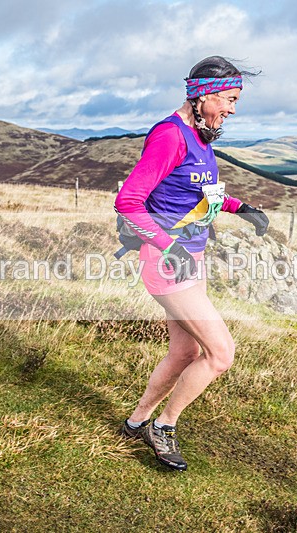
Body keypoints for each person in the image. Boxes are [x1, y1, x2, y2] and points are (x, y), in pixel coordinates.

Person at [114, 56, 269, 471]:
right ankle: (163, 427)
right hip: (168, 261)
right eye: (230, 99)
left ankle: (136, 421)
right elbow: (128, 201)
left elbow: (197, 193)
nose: (233, 110)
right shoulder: (171, 135)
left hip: (189, 258)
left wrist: (240, 207)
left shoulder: (201, 136)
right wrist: (169, 247)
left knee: (184, 351)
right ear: (203, 94)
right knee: (220, 354)